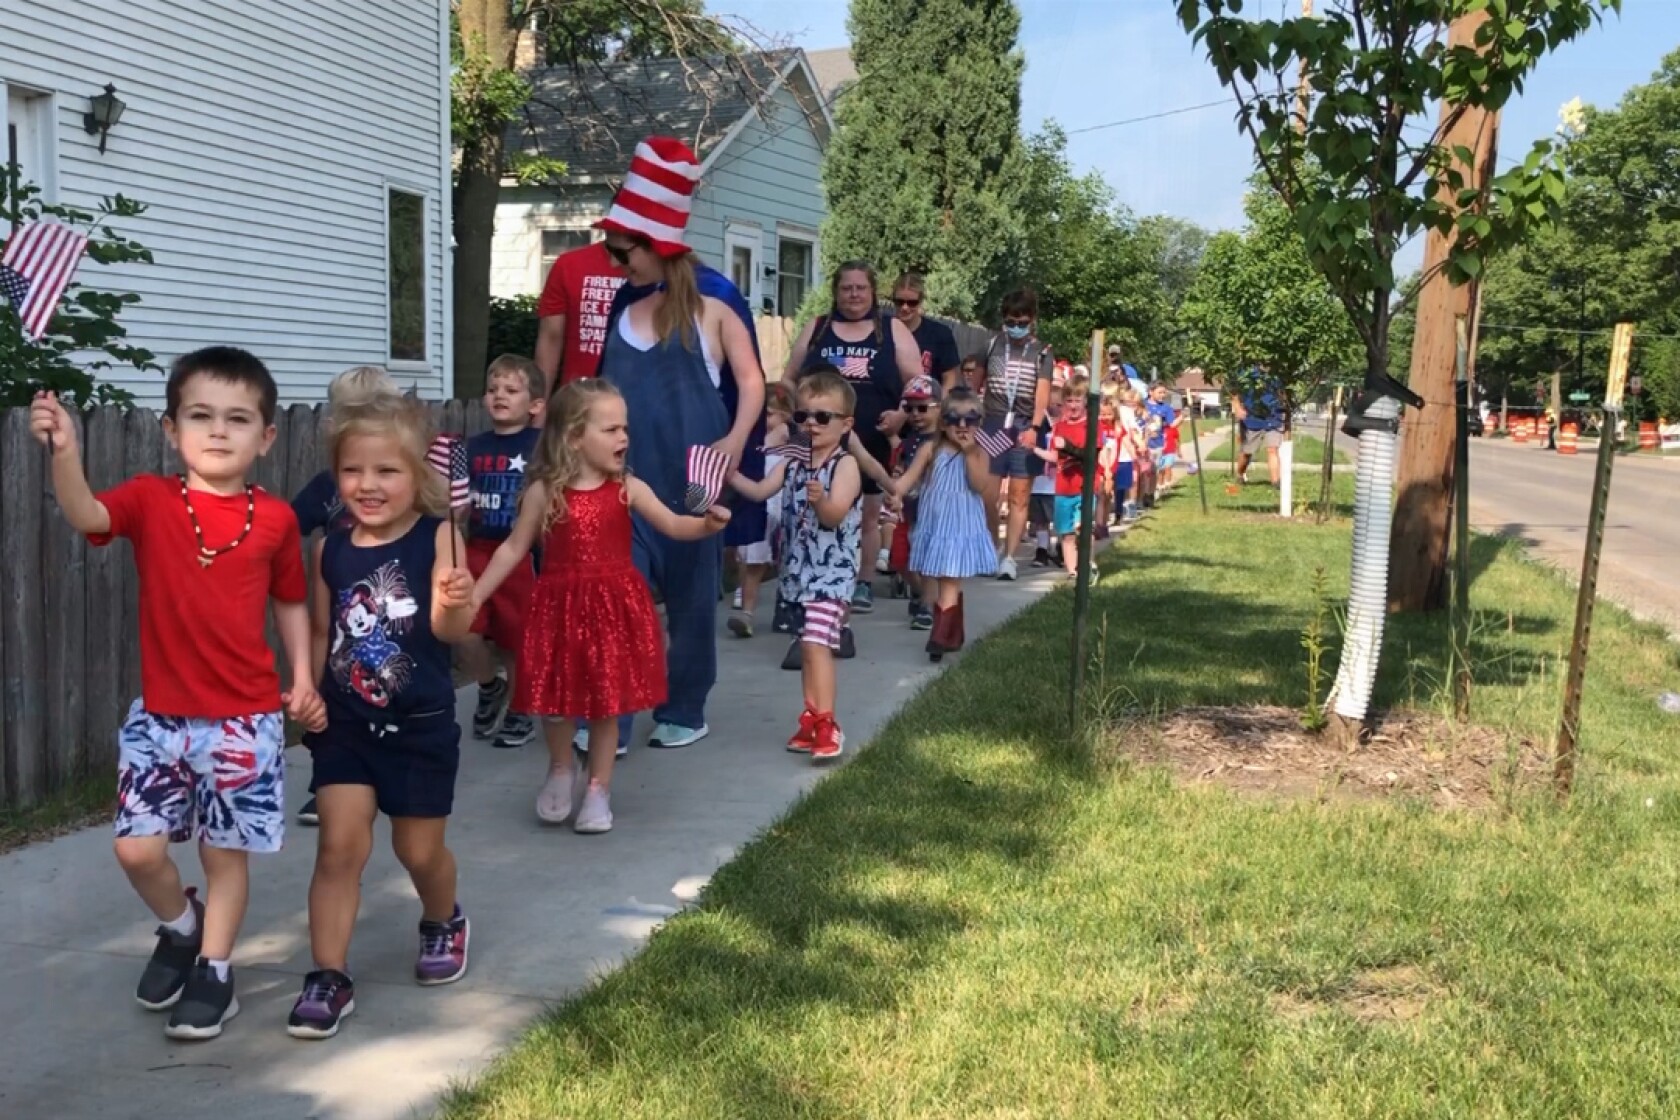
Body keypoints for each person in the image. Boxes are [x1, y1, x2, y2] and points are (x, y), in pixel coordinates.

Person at [30, 348, 326, 1041]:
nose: (218, 431)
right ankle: (180, 927)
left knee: (225, 855)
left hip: (243, 722)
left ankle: (216, 972)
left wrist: (304, 677)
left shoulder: (276, 519)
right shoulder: (150, 499)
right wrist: (64, 452)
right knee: (137, 850)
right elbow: (86, 513)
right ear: (171, 429)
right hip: (160, 720)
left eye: (237, 418)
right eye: (200, 416)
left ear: (266, 436)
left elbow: (289, 602)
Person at [286, 392, 476, 1040]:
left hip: (420, 723)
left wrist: (455, 599)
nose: (368, 485)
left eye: (386, 471)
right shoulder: (329, 551)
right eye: (353, 471)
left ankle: (444, 917)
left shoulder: (438, 535)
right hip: (344, 725)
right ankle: (329, 975)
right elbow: (318, 628)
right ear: (336, 476)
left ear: (416, 474)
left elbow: (451, 630)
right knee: (339, 847)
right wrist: (306, 686)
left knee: (418, 851)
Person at [470, 379, 731, 834]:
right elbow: (513, 549)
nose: (623, 438)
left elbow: (672, 523)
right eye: (610, 429)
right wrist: (476, 593)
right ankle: (560, 768)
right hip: (559, 608)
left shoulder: (626, 487)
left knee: (607, 706)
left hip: (614, 607)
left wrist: (706, 525)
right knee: (556, 703)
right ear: (574, 436)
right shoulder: (544, 491)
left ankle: (598, 788)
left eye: (624, 428)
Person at [592, 137, 765, 752]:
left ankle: (685, 707)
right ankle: (610, 716)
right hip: (624, 479)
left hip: (694, 475)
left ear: (655, 245)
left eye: (622, 250)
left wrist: (734, 440)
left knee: (692, 604)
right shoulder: (620, 303)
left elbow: (750, 381)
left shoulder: (713, 302)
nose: (616, 263)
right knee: (618, 598)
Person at [730, 367, 862, 763]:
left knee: (816, 643)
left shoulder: (845, 466)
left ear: (845, 424)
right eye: (803, 416)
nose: (811, 424)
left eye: (823, 417)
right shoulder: (792, 462)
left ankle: (828, 722)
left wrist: (820, 499)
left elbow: (835, 514)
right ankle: (810, 716)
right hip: (799, 572)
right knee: (806, 648)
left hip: (833, 574)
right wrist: (728, 472)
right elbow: (759, 490)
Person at [783, 261, 922, 615]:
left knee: (869, 515)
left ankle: (861, 583)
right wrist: (794, 414)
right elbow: (788, 378)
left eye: (861, 287)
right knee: (810, 507)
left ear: (872, 292)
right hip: (817, 437)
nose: (854, 294)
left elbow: (918, 385)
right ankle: (808, 580)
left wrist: (902, 415)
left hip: (872, 436)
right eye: (847, 288)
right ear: (836, 292)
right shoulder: (817, 328)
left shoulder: (891, 329)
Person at [460, 355, 544, 750]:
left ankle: (521, 709)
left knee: (517, 638)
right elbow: (454, 500)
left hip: (523, 556)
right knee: (464, 628)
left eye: (511, 390)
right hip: (476, 549)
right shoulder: (470, 448)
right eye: (493, 389)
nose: (499, 396)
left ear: (535, 405)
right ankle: (490, 687)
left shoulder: (541, 448)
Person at [892, 386, 997, 661]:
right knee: (941, 577)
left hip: (960, 528)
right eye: (954, 418)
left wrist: (969, 450)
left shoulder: (979, 453)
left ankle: (939, 635)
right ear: (943, 421)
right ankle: (954, 632)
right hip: (935, 525)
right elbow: (910, 477)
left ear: (979, 423)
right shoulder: (930, 449)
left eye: (970, 420)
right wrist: (895, 494)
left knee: (949, 580)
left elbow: (978, 485)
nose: (962, 426)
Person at [979, 288, 1054, 581]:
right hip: (994, 424)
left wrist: (1035, 428)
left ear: (1032, 320)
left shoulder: (1042, 352)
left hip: (1024, 425)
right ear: (1003, 319)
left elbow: (1043, 393)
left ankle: (1009, 557)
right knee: (988, 495)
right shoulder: (991, 346)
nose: (1017, 327)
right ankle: (991, 549)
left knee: (1019, 496)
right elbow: (975, 385)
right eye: (1011, 321)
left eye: (1023, 321)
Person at [729, 381, 794, 639]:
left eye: (768, 414)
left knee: (789, 561)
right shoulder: (753, 438)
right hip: (757, 505)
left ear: (787, 415)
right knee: (751, 560)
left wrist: (775, 434)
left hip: (782, 508)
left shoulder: (791, 437)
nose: (761, 420)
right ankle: (746, 613)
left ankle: (788, 607)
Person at [535, 239, 626, 392]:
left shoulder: (663, 269)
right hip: (578, 399)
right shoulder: (569, 265)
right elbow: (551, 338)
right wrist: (539, 400)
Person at [1033, 373, 1096, 578]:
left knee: (1082, 528)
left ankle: (1087, 563)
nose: (1073, 405)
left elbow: (1090, 455)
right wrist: (1034, 449)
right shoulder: (1059, 426)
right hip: (1062, 489)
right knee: (1066, 534)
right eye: (1069, 401)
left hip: (1083, 487)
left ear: (1086, 401)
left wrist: (1068, 447)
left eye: (1078, 400)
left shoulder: (1092, 425)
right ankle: (1072, 572)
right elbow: (1054, 456)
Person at [891, 271, 961, 387]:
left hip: (926, 400)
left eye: (912, 303)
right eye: (899, 302)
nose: (905, 307)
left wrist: (940, 404)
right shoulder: (882, 331)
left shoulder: (940, 334)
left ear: (921, 301)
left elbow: (950, 376)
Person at [1231, 368, 1286, 486]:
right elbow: (1235, 393)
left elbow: (1285, 393)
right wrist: (1237, 407)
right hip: (1252, 417)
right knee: (1246, 452)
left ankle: (1276, 482)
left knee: (1272, 449)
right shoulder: (1246, 371)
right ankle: (1240, 474)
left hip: (1273, 416)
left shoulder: (1278, 372)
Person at [1028, 384, 1064, 566]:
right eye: (1053, 404)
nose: (1057, 408)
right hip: (1038, 482)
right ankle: (1041, 550)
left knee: (1057, 521)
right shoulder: (1041, 426)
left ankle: (1059, 549)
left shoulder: (1064, 428)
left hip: (1056, 484)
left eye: (1060, 405)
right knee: (1040, 521)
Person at [1146, 382, 1183, 488]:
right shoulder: (1143, 405)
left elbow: (1172, 424)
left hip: (1158, 443)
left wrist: (1182, 417)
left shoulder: (1166, 408)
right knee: (1143, 471)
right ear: (1151, 392)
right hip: (1143, 442)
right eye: (1160, 392)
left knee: (1154, 470)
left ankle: (1150, 493)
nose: (1163, 395)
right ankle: (1143, 494)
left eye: (1164, 393)